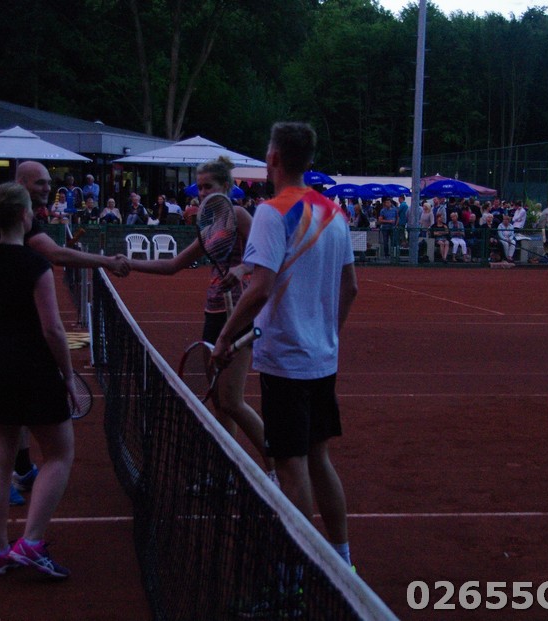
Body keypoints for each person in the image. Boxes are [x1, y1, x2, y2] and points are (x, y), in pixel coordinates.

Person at [211, 122, 357, 570]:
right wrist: (326, 333)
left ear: (273, 158)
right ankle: (343, 562)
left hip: (287, 362)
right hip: (321, 359)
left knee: (291, 465)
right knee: (318, 458)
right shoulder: (334, 212)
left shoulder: (271, 213)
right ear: (308, 161)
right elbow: (350, 287)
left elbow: (259, 288)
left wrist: (225, 336)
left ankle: (293, 571)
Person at [126, 156, 275, 482]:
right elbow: (173, 264)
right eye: (200, 187)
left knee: (232, 401)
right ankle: (226, 471)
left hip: (238, 314)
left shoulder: (239, 215)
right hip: (213, 313)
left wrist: (243, 268)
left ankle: (275, 468)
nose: (203, 192)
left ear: (226, 186)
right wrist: (129, 263)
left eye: (209, 186)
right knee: (220, 403)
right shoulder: (209, 225)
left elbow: (266, 255)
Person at [0, 182, 77, 579]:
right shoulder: (35, 265)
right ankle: (30, 541)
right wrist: (68, 376)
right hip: (35, 367)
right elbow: (53, 330)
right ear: (24, 215)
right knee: (60, 454)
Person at [8, 161, 130, 505]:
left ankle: (21, 469)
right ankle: (7, 478)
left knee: (17, 406)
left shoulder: (25, 216)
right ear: (21, 183)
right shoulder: (17, 218)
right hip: (18, 329)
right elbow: (56, 254)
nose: (47, 188)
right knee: (16, 413)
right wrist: (106, 262)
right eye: (40, 183)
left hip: (19, 323)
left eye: (49, 182)